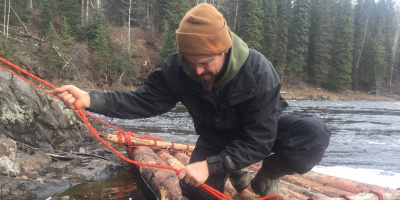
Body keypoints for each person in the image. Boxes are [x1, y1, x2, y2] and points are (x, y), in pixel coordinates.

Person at [53, 3, 331, 200]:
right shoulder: (177, 69)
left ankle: (268, 173)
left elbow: (259, 141)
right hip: (214, 138)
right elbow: (144, 101)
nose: (197, 70)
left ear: (224, 50)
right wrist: (91, 99)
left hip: (261, 132)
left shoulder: (259, 72)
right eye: (190, 61)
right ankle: (235, 168)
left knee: (314, 133)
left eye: (206, 62)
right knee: (195, 192)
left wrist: (210, 166)